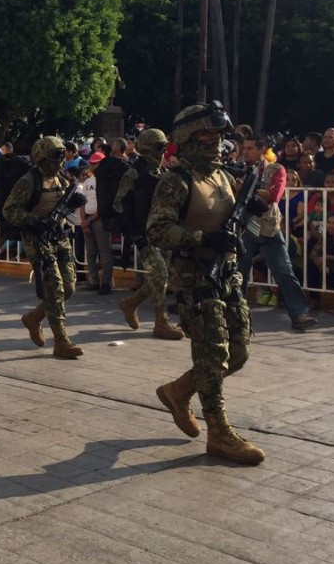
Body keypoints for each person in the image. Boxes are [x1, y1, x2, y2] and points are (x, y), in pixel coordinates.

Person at [148, 101, 265, 465]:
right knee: (212, 354)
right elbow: (156, 229)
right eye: (206, 134)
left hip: (228, 274)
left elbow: (228, 220)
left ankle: (178, 391)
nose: (215, 141)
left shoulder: (224, 177)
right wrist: (201, 239)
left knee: (238, 352)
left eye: (218, 134)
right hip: (195, 278)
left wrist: (250, 213)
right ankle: (219, 432)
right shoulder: (175, 181)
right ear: (187, 138)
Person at [3, 136, 86, 358]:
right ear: (41, 157)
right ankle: (61, 340)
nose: (60, 161)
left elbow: (64, 201)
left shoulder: (59, 178)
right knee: (55, 288)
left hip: (59, 235)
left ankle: (34, 318)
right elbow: (10, 210)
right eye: (55, 156)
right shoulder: (29, 181)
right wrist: (35, 220)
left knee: (69, 288)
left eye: (62, 156)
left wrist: (74, 201)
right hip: (38, 238)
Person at [235, 136, 318, 331]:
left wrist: (247, 189)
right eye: (244, 148)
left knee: (284, 272)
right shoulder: (239, 168)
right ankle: (236, 315)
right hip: (245, 227)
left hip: (269, 228)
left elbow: (274, 195)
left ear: (261, 149)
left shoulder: (276, 169)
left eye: (249, 148)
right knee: (240, 274)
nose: (245, 152)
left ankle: (299, 314)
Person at [114, 129, 185, 340]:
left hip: (163, 231)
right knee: (161, 274)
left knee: (162, 276)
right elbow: (119, 203)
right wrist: (136, 220)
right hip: (144, 233)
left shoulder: (163, 172)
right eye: (159, 147)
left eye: (164, 147)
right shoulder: (134, 173)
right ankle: (161, 322)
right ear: (146, 148)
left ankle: (131, 303)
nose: (163, 151)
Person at [80, 152, 114, 294]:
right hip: (88, 218)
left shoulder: (106, 181)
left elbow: (104, 205)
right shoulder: (87, 182)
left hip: (100, 219)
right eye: (92, 163)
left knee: (104, 253)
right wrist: (83, 221)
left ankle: (105, 283)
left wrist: (87, 221)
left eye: (96, 163)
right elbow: (82, 202)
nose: (93, 165)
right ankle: (93, 281)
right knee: (91, 254)